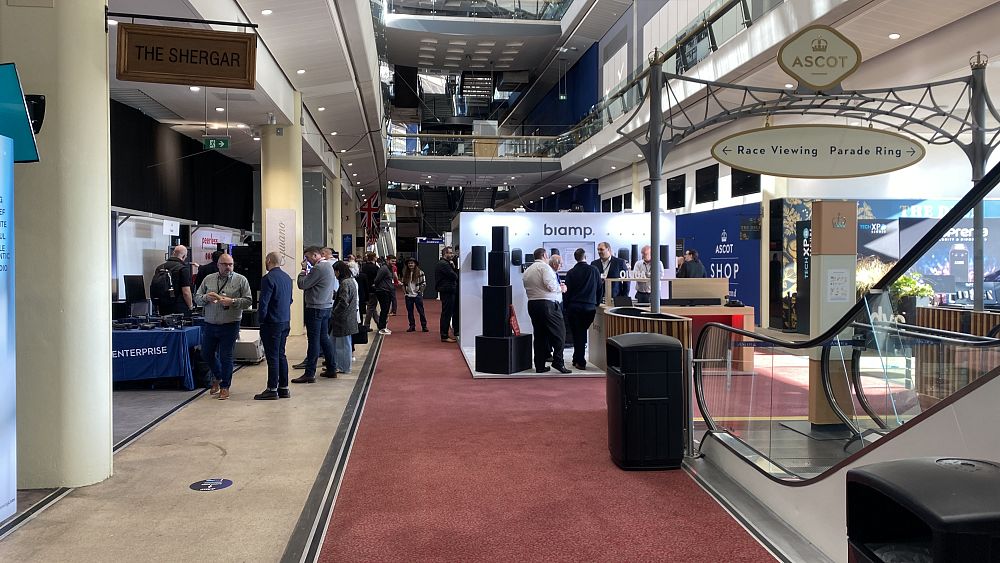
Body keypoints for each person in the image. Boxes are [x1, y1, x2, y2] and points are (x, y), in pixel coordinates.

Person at [194, 253, 252, 400]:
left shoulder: (241, 280)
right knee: (206, 353)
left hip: (230, 324)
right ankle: (218, 377)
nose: (228, 267)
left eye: (230, 264)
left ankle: (225, 386)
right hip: (210, 323)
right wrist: (206, 298)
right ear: (218, 265)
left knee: (226, 356)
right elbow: (197, 298)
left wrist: (232, 301)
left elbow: (248, 301)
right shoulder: (208, 279)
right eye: (225, 264)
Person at [292, 246, 337, 383]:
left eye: (308, 257)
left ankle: (309, 373)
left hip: (316, 308)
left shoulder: (318, 268)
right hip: (325, 307)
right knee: (324, 338)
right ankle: (331, 368)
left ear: (315, 255)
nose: (307, 261)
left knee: (314, 341)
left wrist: (303, 270)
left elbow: (302, 284)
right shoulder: (328, 266)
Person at [523, 248, 570, 374]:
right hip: (548, 305)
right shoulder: (545, 268)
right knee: (560, 333)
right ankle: (558, 362)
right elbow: (550, 285)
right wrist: (562, 288)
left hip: (533, 304)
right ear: (544, 255)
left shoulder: (528, 270)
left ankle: (540, 365)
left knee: (540, 336)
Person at [254, 252, 293, 401]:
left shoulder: (268, 278)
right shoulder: (287, 278)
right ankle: (284, 387)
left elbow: (263, 302)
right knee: (281, 354)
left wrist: (261, 320)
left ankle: (272, 389)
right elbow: (290, 300)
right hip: (284, 321)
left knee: (272, 356)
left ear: (268, 261)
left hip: (272, 322)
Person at [564, 248, 601, 370]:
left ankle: (580, 361)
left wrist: (566, 307)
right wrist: (597, 302)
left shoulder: (571, 273)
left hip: (574, 307)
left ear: (575, 258)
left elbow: (567, 293)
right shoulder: (594, 270)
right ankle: (577, 359)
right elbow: (599, 289)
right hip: (589, 307)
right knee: (581, 333)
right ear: (586, 257)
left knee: (577, 334)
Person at [330, 261, 359, 374]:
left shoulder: (345, 283)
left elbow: (343, 301)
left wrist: (335, 312)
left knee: (342, 345)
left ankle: (343, 367)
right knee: (342, 343)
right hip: (348, 317)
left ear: (338, 271)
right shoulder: (351, 281)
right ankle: (337, 365)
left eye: (335, 272)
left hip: (343, 319)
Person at [152, 244, 193, 315]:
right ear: (183, 257)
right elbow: (186, 292)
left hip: (163, 306)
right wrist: (190, 306)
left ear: (173, 253)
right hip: (179, 308)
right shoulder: (183, 269)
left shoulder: (160, 267)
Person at [435, 246, 459, 343]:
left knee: (447, 313)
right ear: (445, 253)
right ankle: (444, 335)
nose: (451, 255)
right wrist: (453, 268)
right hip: (447, 290)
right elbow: (454, 276)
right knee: (446, 313)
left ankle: (445, 334)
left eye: (451, 253)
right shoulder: (444, 264)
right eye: (449, 253)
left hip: (447, 290)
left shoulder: (444, 263)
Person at [401, 258, 429, 332]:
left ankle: (424, 326)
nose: (410, 264)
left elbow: (424, 283)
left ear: (415, 264)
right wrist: (405, 293)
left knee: (421, 311)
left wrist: (419, 292)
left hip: (417, 295)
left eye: (412, 263)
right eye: (409, 263)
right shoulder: (405, 273)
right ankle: (412, 326)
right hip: (408, 295)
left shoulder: (420, 272)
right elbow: (403, 284)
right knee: (410, 312)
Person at [373, 258, 394, 335]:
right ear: (388, 260)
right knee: (384, 309)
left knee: (386, 310)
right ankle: (381, 327)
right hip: (382, 291)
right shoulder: (384, 269)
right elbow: (377, 279)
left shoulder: (389, 269)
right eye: (392, 261)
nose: (393, 262)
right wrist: (379, 287)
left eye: (395, 261)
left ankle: (383, 326)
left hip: (387, 291)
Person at [361, 252, 381, 331]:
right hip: (373, 289)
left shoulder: (364, 267)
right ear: (373, 258)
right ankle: (366, 325)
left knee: (372, 307)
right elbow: (378, 278)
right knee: (371, 307)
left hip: (366, 288)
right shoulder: (375, 267)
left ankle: (378, 322)